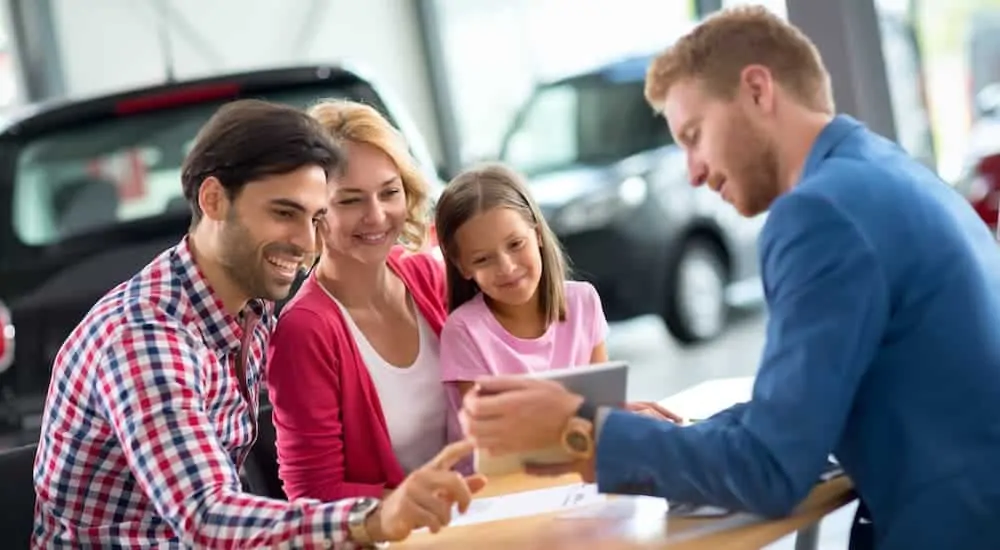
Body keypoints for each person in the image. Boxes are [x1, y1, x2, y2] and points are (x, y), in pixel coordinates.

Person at [458, 6, 1000, 550]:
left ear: (758, 91)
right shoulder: (880, 168)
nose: (691, 170)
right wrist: (668, 437)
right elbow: (790, 413)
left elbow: (770, 469)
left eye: (693, 135)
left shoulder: (819, 214)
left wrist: (575, 430)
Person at [32, 99, 483, 549]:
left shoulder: (251, 309)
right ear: (213, 200)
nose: (308, 243)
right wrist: (376, 518)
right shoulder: (146, 338)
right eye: (284, 213)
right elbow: (208, 518)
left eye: (317, 218)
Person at [265, 99, 472, 503]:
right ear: (313, 212)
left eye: (389, 192)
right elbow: (313, 493)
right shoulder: (305, 331)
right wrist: (409, 503)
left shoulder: (426, 275)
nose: (377, 216)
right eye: (350, 200)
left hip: (477, 514)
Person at [433, 163, 608, 398]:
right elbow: (491, 432)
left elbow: (605, 405)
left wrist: (622, 416)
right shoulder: (464, 332)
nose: (507, 267)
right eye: (483, 259)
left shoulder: (584, 301)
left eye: (515, 244)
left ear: (537, 234)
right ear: (463, 266)